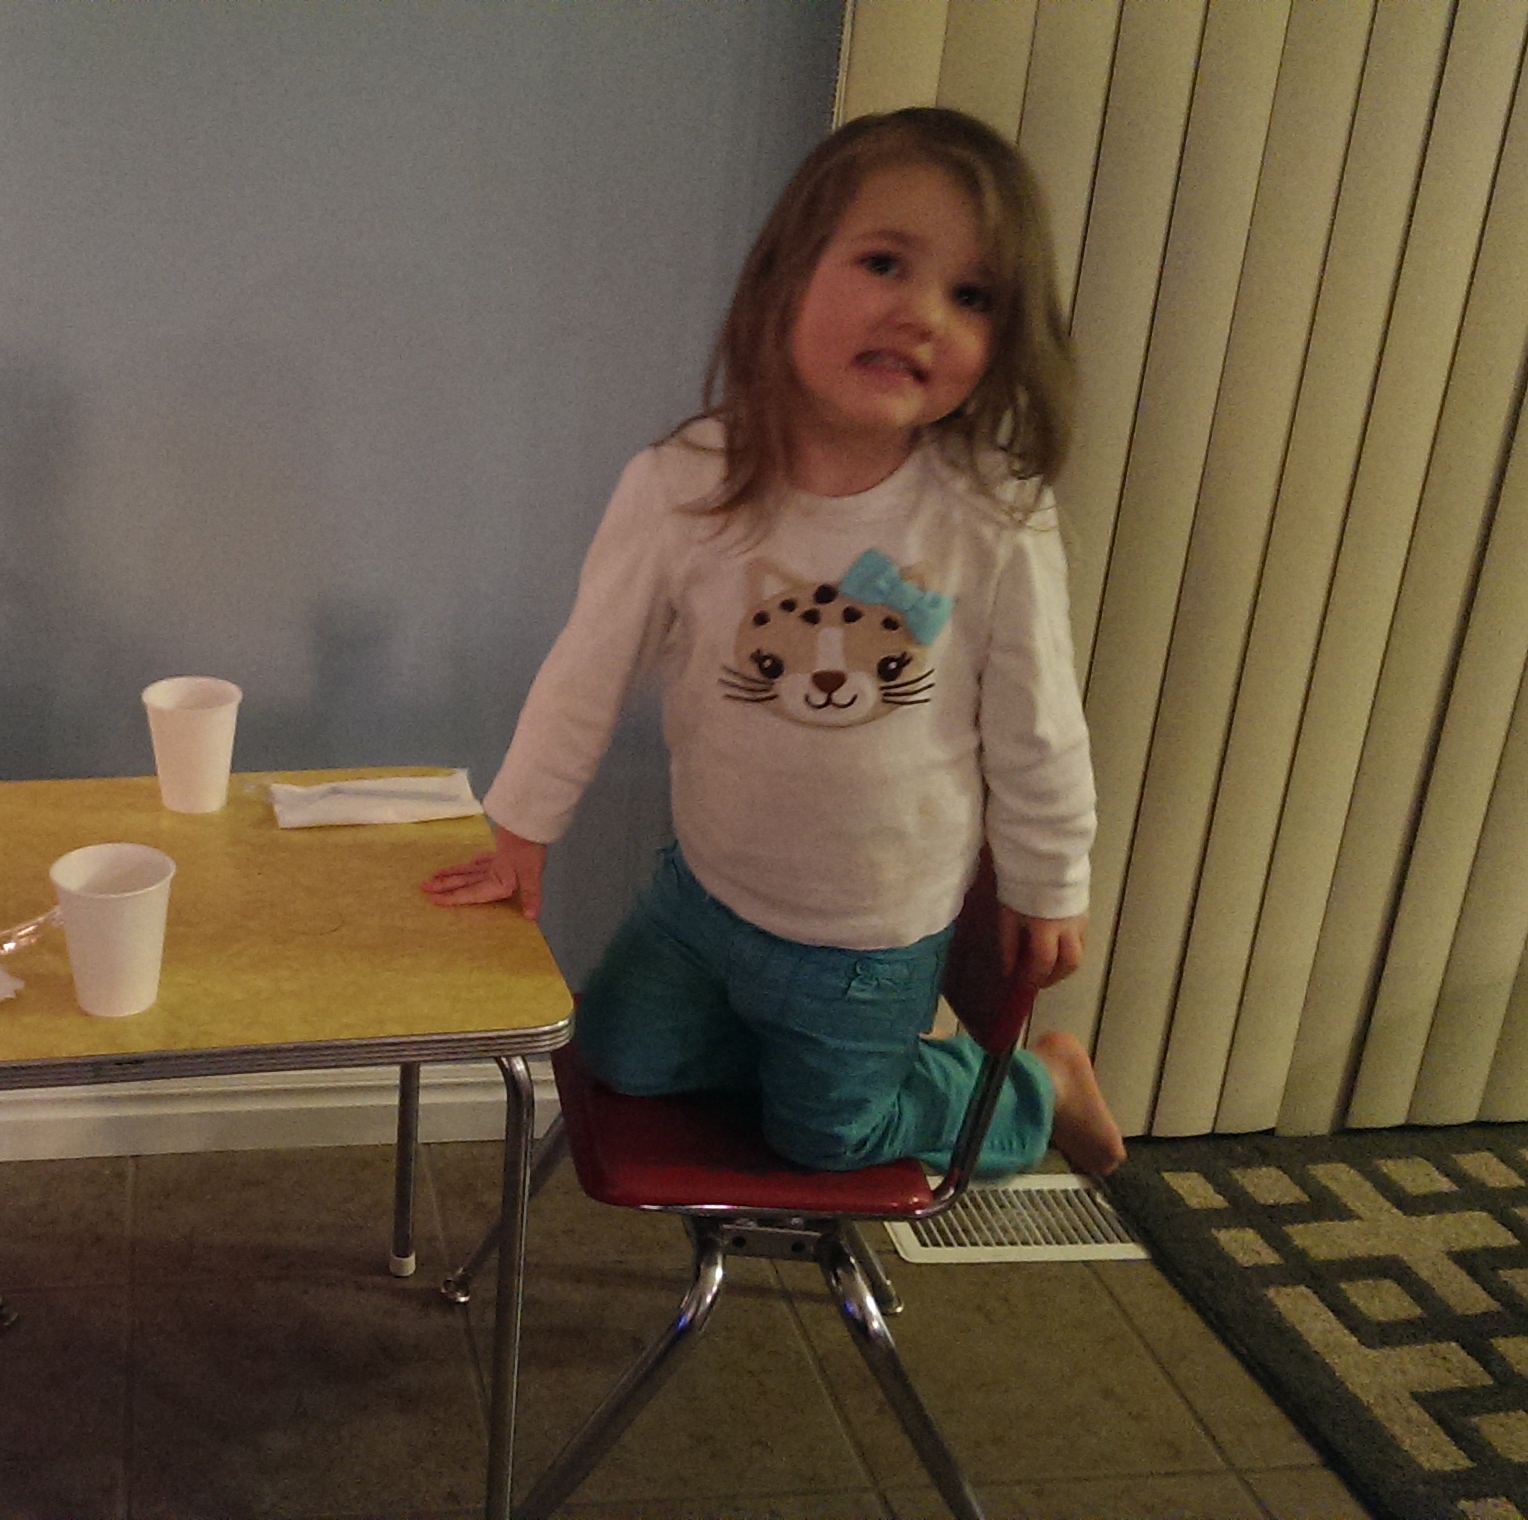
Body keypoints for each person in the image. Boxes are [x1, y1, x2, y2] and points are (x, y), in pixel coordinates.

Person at [424, 107, 1126, 1179]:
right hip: (701, 898)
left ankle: (1039, 1085)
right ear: (785, 278)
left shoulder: (993, 518)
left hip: (870, 945)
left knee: (827, 1138)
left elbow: (1040, 731)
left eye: (973, 296)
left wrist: (1049, 878)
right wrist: (521, 827)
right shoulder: (685, 485)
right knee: (615, 1054)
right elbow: (586, 669)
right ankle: (791, 1055)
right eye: (885, 262)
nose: (923, 313)